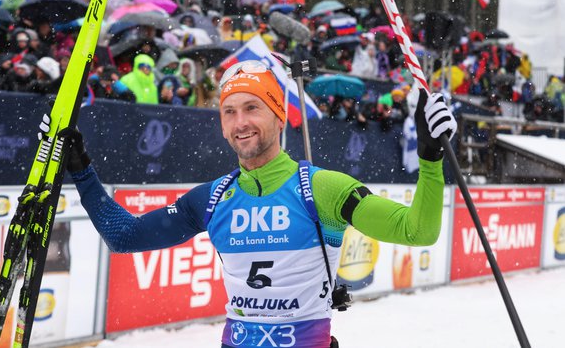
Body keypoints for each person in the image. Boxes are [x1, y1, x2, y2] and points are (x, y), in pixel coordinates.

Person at [58, 60, 456, 348]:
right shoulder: (213, 197)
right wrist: (81, 170)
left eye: (252, 108)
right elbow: (124, 236)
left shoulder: (323, 188)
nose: (240, 121)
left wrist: (430, 157)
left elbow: (416, 230)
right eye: (229, 111)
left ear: (279, 116)